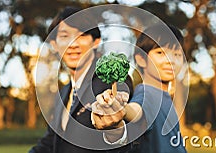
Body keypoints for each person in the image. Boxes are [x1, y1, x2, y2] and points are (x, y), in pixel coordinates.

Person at [29, 6, 136, 153]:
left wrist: (116, 131)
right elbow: (50, 142)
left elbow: (128, 139)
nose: (73, 44)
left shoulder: (112, 84)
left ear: (96, 42)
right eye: (65, 36)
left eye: (82, 35)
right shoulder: (63, 93)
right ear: (54, 44)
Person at [95, 24, 187, 152]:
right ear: (141, 59)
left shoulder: (164, 96)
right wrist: (120, 108)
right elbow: (137, 111)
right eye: (160, 52)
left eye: (177, 54)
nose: (171, 60)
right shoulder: (148, 94)